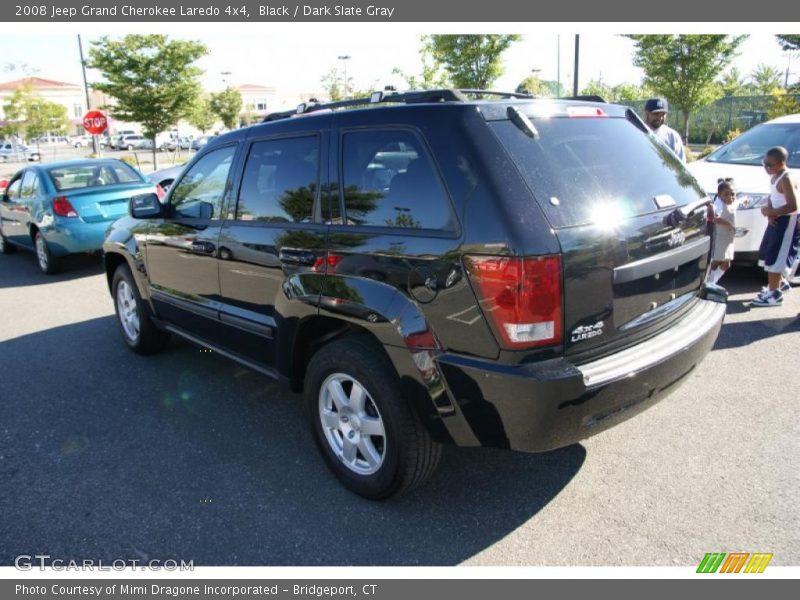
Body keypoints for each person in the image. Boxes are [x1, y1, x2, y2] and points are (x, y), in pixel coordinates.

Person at [751, 146, 799, 307]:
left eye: (769, 165)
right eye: (764, 163)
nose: (766, 167)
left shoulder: (786, 178)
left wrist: (773, 212)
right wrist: (770, 212)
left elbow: (793, 206)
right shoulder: (775, 176)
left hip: (787, 222)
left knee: (777, 256)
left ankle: (774, 295)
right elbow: (774, 196)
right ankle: (780, 284)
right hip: (777, 219)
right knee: (768, 251)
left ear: (781, 163)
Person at [706, 178, 737, 286]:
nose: (730, 197)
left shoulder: (731, 203)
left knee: (726, 264)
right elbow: (714, 217)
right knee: (716, 262)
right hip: (720, 238)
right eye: (726, 194)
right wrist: (728, 224)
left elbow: (738, 202)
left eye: (733, 194)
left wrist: (744, 200)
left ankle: (712, 282)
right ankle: (708, 281)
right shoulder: (718, 205)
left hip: (728, 240)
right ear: (719, 195)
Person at [643, 97, 686, 163]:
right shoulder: (637, 133)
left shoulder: (672, 136)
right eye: (656, 114)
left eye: (663, 114)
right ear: (646, 113)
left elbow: (681, 165)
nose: (660, 118)